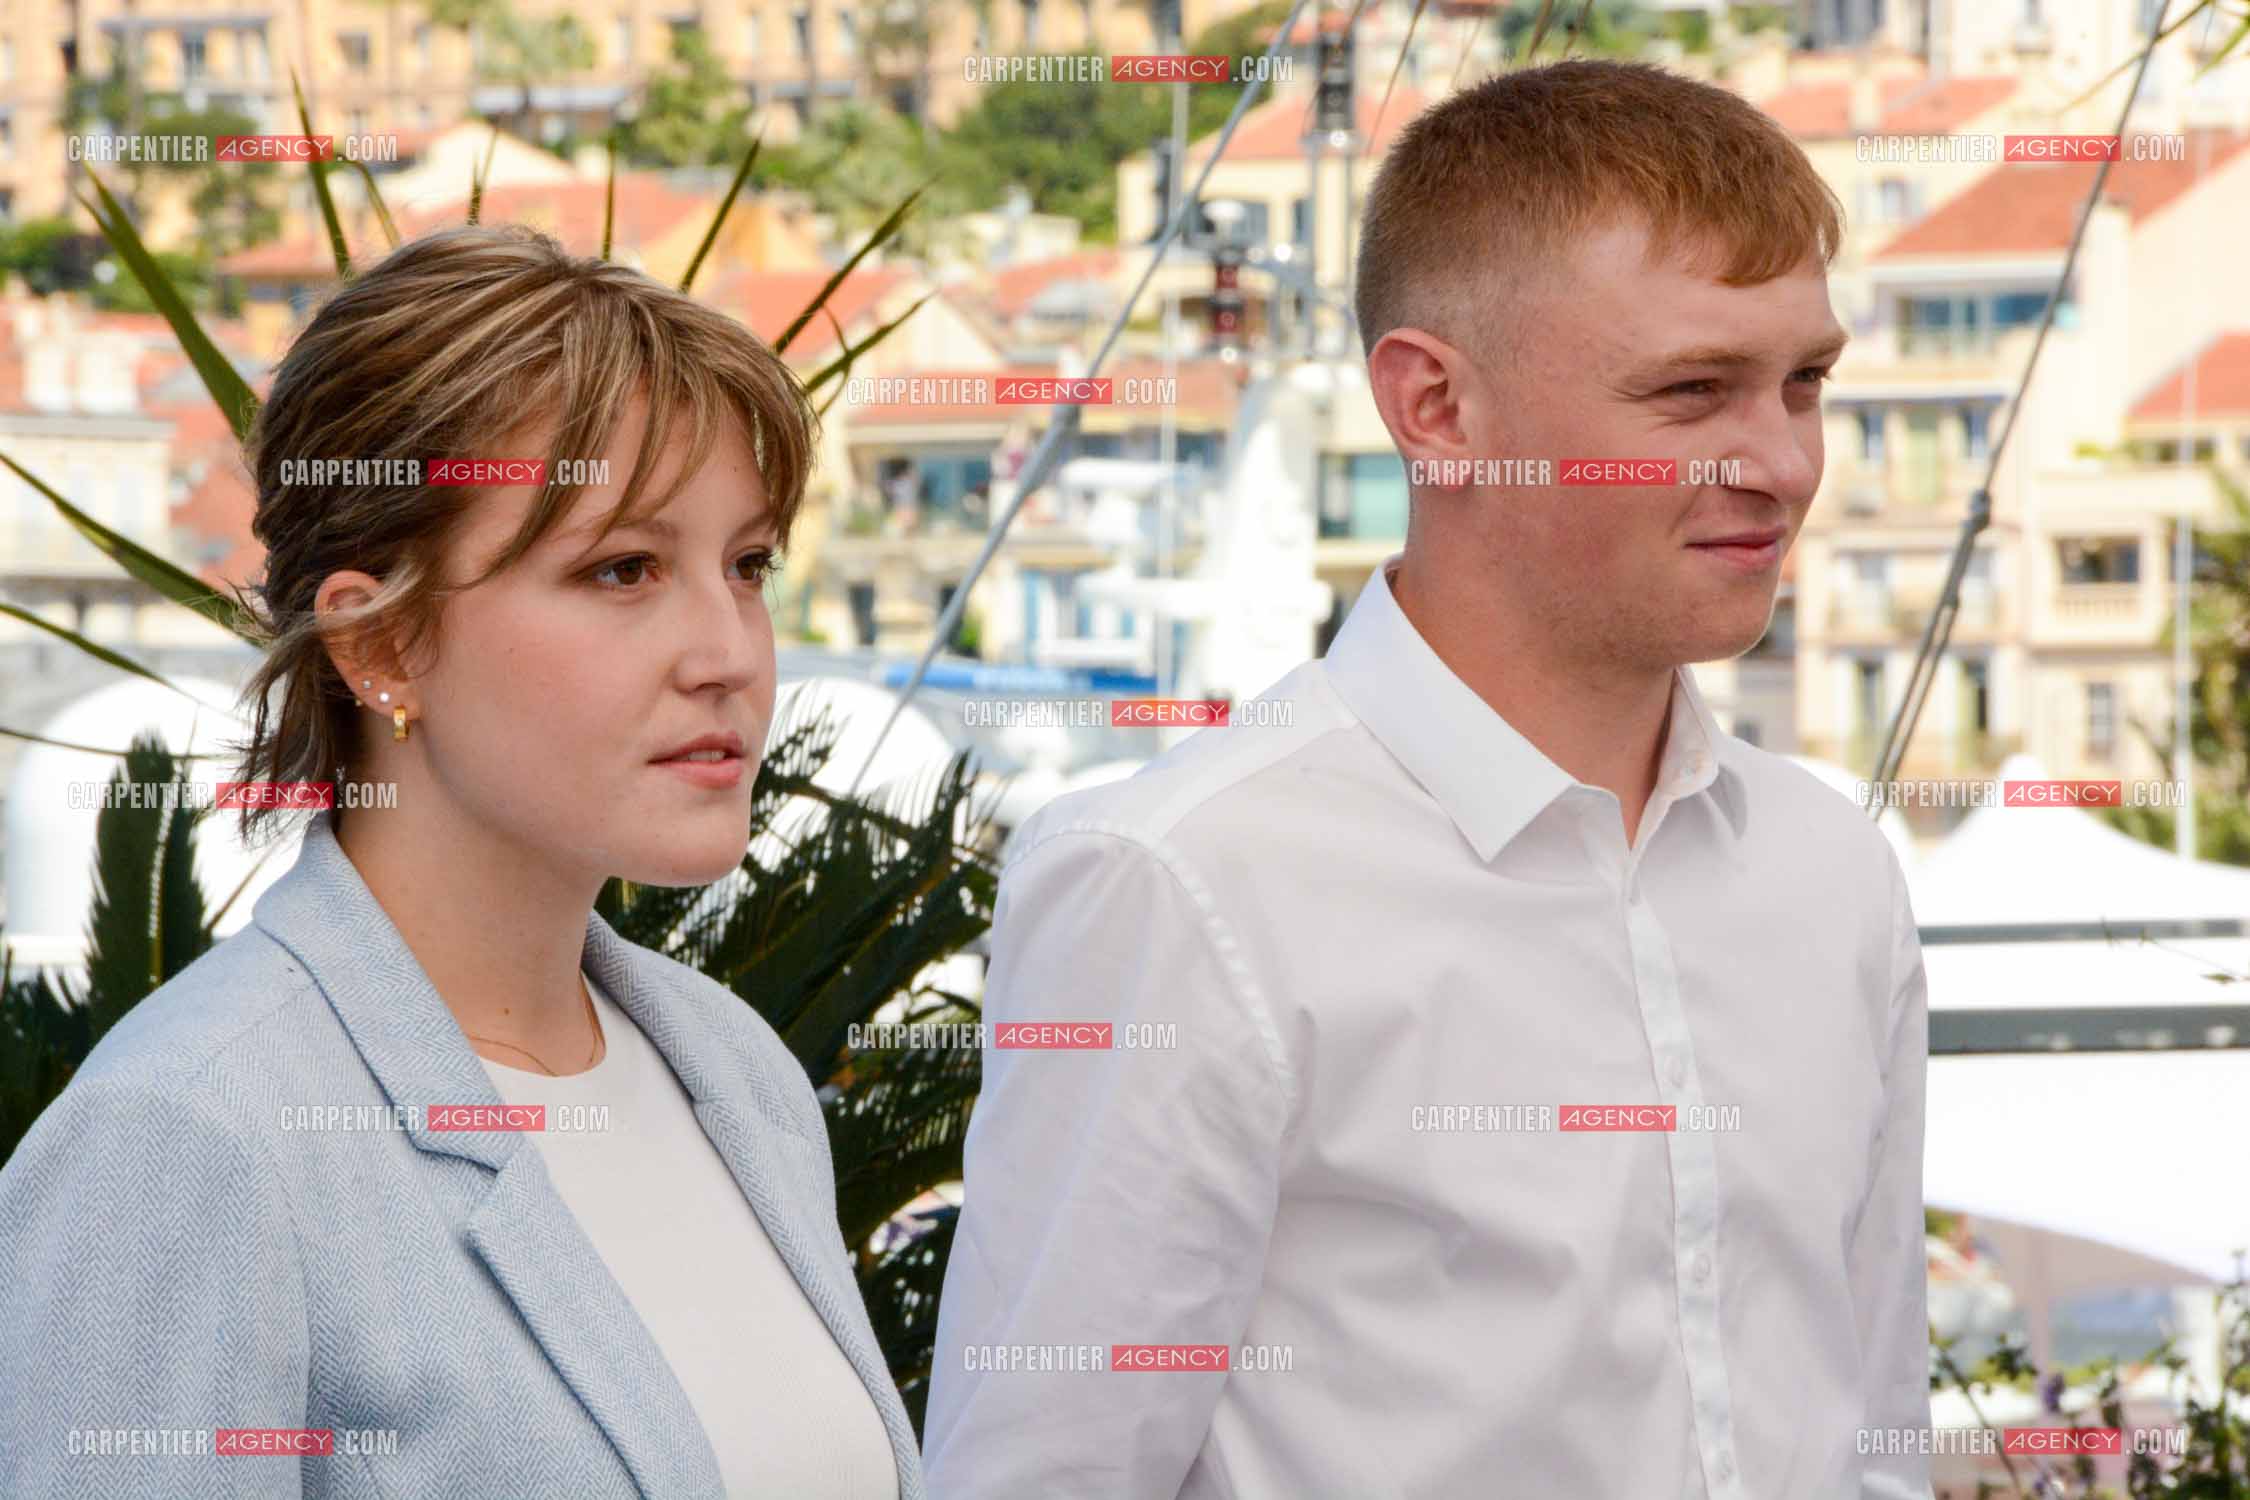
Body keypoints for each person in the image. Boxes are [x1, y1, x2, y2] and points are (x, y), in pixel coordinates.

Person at [924, 60, 1933, 1500]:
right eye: (1690, 391)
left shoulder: (1828, 871)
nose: (1777, 460)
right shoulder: (1182, 885)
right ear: (1437, 409)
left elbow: (1870, 1431)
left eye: (1803, 383)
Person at [0, 224, 922, 1500]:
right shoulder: (191, 1138)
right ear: (376, 644)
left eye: (747, 565)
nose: (730, 651)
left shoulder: (732, 1074)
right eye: (623, 569)